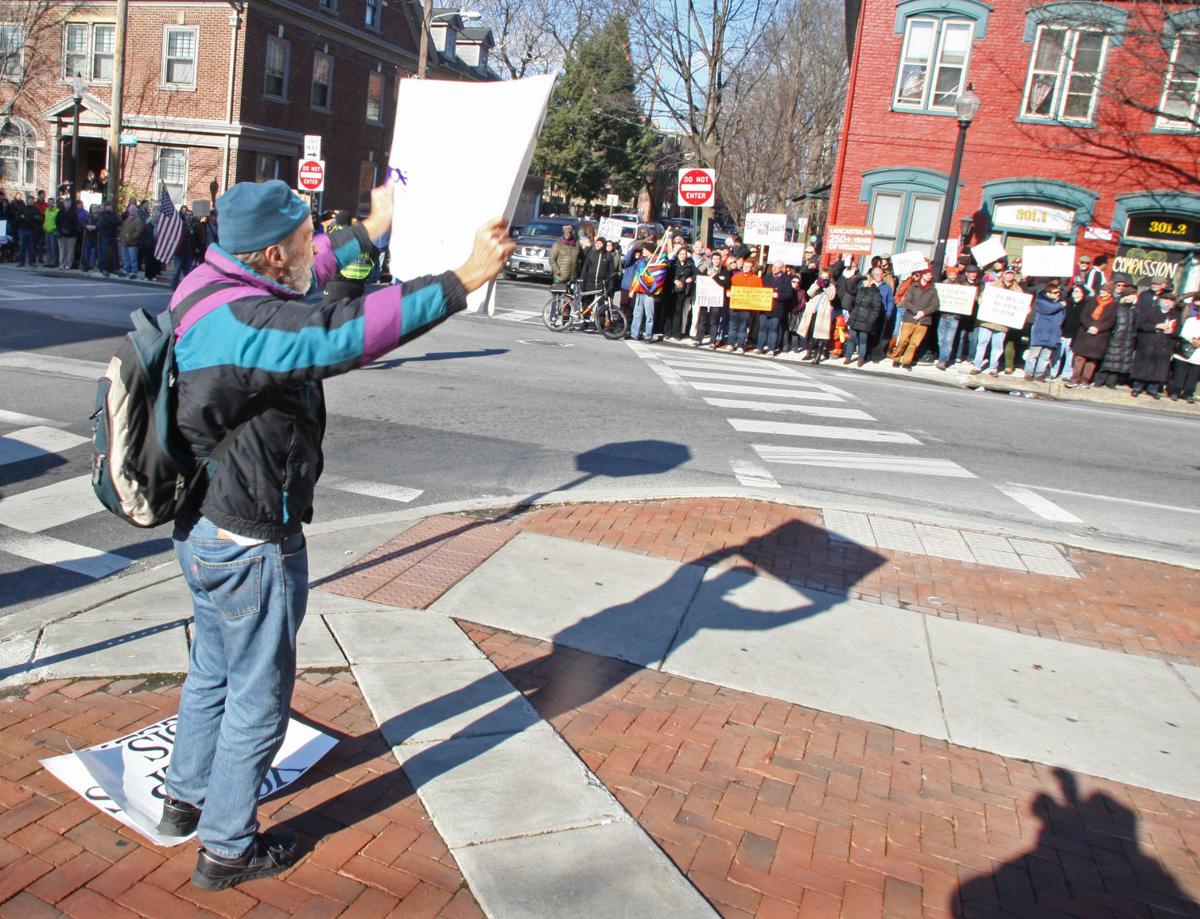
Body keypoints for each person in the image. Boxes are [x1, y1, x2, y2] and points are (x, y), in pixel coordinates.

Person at [157, 178, 514, 890]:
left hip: (204, 523)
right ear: (270, 255)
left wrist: (370, 230)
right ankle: (226, 848)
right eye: (302, 236)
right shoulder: (251, 323)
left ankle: (183, 800)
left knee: (213, 670)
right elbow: (343, 332)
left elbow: (311, 268)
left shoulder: (209, 284)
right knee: (258, 696)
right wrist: (463, 279)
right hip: (250, 535)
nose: (312, 247)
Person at [1130, 290, 1182, 398]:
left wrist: (1172, 331)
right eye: (1165, 299)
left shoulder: (1175, 315)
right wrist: (1156, 326)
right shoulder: (1150, 311)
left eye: (1170, 300)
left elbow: (1178, 330)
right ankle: (1137, 387)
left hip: (1164, 345)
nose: (1167, 302)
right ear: (1160, 300)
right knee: (1143, 366)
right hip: (1148, 343)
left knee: (1159, 368)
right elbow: (1140, 325)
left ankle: (1153, 389)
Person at [320, 210, 380, 302]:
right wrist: (367, 267)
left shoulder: (333, 235)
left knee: (331, 308)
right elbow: (375, 252)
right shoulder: (359, 235)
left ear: (337, 222)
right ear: (350, 221)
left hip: (338, 281)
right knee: (352, 309)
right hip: (359, 281)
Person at [1066, 284, 1117, 387]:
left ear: (1110, 293)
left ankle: (1085, 380)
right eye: (1102, 289)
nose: (1102, 292)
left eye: (1105, 290)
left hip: (1100, 335)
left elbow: (1111, 321)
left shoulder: (1114, 305)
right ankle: (1074, 379)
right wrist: (1089, 326)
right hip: (1085, 332)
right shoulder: (1092, 300)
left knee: (1092, 359)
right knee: (1079, 357)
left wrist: (1098, 328)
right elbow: (1084, 315)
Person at [889, 266, 939, 370]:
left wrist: (924, 312)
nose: (929, 276)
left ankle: (907, 362)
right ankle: (896, 357)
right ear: (922, 275)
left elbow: (935, 305)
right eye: (927, 274)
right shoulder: (913, 286)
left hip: (924, 320)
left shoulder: (933, 289)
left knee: (914, 343)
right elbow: (907, 301)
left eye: (930, 275)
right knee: (902, 340)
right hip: (910, 317)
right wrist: (916, 311)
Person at [1094, 274, 1139, 388]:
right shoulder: (1117, 307)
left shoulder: (1134, 310)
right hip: (1115, 336)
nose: (1132, 299)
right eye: (1131, 296)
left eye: (1134, 297)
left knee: (1118, 363)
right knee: (1108, 360)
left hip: (1127, 338)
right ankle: (1099, 380)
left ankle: (1111, 382)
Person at [1025, 279, 1066, 381]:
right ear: (1048, 293)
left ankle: (1039, 374)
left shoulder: (1059, 303)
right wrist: (1061, 305)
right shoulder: (1041, 301)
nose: (1058, 294)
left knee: (1045, 356)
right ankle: (1029, 373)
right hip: (1040, 331)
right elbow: (1049, 309)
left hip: (1053, 332)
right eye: (1055, 292)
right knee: (1034, 354)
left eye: (1058, 292)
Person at [844, 266, 884, 366]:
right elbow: (850, 288)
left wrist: (870, 321)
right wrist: (858, 278)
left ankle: (861, 359)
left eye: (866, 280)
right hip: (855, 319)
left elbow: (876, 310)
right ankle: (848, 357)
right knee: (851, 339)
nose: (864, 282)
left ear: (870, 281)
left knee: (863, 341)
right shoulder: (860, 290)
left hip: (865, 321)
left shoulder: (875, 293)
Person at [757, 260, 796, 355]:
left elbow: (789, 294)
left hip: (777, 308)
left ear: (782, 268)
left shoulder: (786, 279)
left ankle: (771, 349)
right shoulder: (766, 277)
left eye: (777, 267)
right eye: (773, 266)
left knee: (773, 329)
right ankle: (760, 347)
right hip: (764, 307)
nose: (774, 269)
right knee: (762, 329)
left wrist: (777, 295)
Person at [1051, 284, 1088, 380]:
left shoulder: (1085, 305)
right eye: (1074, 291)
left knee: (1070, 356)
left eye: (1077, 291)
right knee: (1057, 354)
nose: (1074, 293)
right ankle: (1053, 372)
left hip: (1074, 334)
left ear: (1082, 294)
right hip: (1063, 332)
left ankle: (1066, 374)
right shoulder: (1067, 303)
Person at [1167, 296, 1200, 402]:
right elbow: (1184, 333)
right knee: (1179, 373)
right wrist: (1193, 340)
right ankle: (1175, 392)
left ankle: (1188, 393)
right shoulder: (1190, 320)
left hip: (1197, 355)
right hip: (1184, 351)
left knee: (1193, 376)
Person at [118, 202, 143, 278]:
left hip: (133, 243)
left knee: (133, 258)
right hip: (124, 242)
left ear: (135, 211)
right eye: (130, 209)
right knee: (126, 258)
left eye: (133, 209)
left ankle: (133, 272)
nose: (131, 210)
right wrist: (121, 236)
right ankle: (126, 270)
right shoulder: (126, 220)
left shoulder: (138, 220)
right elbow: (122, 229)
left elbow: (138, 232)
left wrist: (130, 238)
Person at [97, 202, 120, 275]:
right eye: (108, 206)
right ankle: (104, 269)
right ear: (105, 207)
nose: (110, 208)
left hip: (113, 235)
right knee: (104, 253)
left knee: (115, 252)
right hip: (104, 235)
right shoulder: (102, 214)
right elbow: (101, 223)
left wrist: (110, 221)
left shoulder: (114, 214)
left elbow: (119, 221)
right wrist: (112, 222)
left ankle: (116, 268)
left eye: (110, 206)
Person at [55, 197, 79, 269]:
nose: (67, 204)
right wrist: (61, 230)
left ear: (71, 204)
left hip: (71, 234)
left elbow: (75, 223)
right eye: (66, 203)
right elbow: (57, 222)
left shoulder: (74, 213)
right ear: (64, 204)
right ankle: (62, 264)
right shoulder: (59, 212)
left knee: (70, 251)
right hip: (61, 233)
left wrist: (69, 230)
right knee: (62, 250)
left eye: (69, 203)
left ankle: (68, 264)